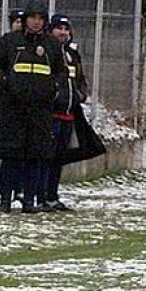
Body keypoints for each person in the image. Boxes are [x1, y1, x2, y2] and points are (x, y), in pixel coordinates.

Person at [0, 1, 65, 213]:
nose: (36, 22)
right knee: (11, 155)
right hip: (13, 108)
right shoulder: (9, 42)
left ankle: (29, 200)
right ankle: (5, 198)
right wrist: (5, 86)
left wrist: (53, 88)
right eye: (32, 17)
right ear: (25, 19)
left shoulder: (51, 45)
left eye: (40, 18)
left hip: (41, 109)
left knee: (36, 155)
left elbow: (60, 72)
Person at [43, 13, 88, 210]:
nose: (63, 32)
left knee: (59, 157)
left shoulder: (72, 54)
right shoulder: (45, 52)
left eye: (65, 29)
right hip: (51, 114)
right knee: (46, 157)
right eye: (58, 28)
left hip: (69, 114)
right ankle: (40, 195)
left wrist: (80, 95)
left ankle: (52, 195)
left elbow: (80, 79)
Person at [0, 8, 26, 200]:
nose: (19, 24)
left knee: (18, 148)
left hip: (23, 105)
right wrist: (0, 86)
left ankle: (16, 187)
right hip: (0, 104)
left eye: (21, 21)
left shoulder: (32, 47)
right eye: (16, 21)